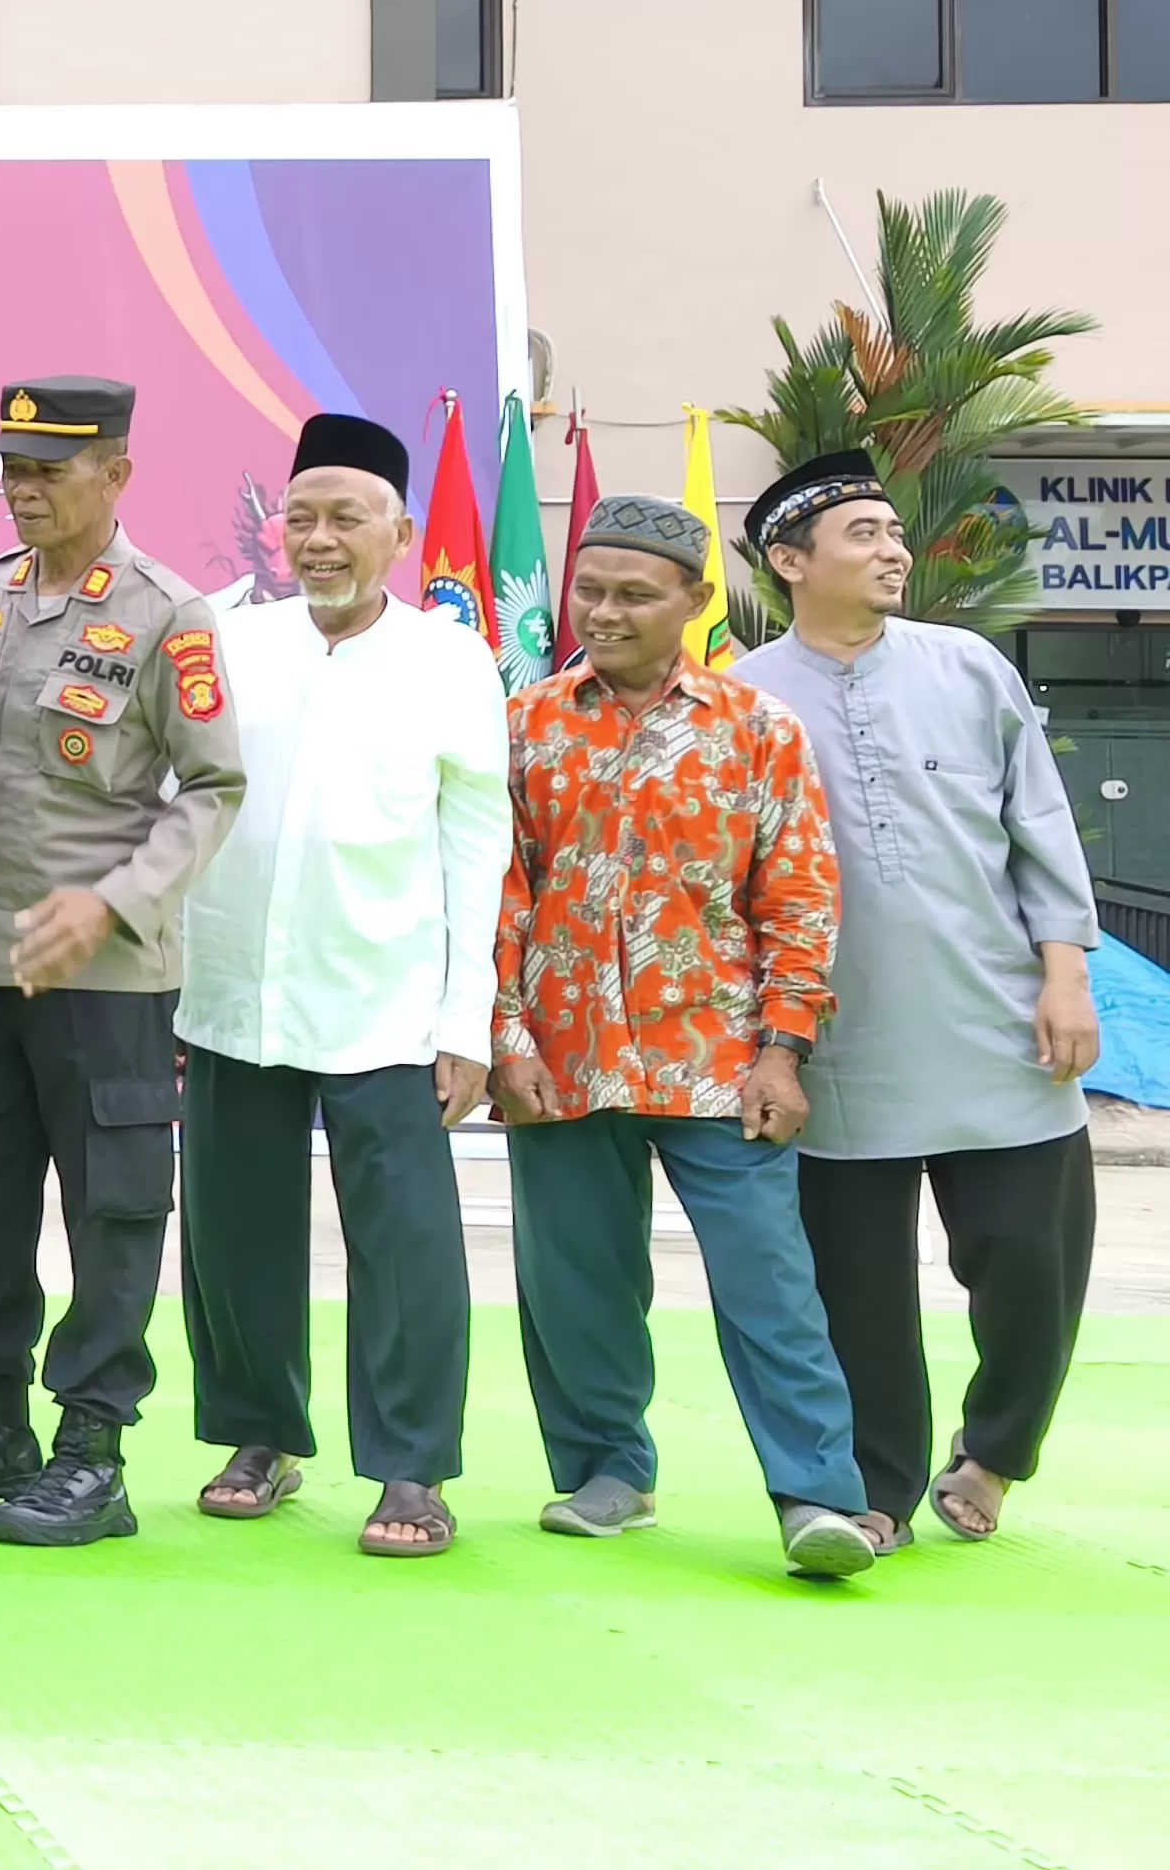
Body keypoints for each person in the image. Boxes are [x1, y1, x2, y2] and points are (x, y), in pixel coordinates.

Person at [492, 491, 874, 1583]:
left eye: (631, 595)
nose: (602, 613)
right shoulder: (527, 723)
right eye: (589, 590)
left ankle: (814, 1496)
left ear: (694, 602)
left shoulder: (756, 730)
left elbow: (798, 897)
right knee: (574, 1282)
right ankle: (608, 1472)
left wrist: (782, 1049)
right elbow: (499, 898)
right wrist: (505, 1036)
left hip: (720, 1060)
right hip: (561, 1055)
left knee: (769, 1283)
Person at [0, 377, 243, 1548]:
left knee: (114, 1212)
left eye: (50, 470)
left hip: (110, 982)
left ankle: (93, 1449)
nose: (23, 488)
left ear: (117, 476)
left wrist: (114, 904)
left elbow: (211, 789)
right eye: (14, 468)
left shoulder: (166, 616)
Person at [736, 449, 1104, 1551]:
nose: (892, 550)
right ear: (790, 561)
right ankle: (874, 1492)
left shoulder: (968, 668)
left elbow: (1039, 827)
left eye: (894, 533)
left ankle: (994, 1452)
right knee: (857, 1298)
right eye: (863, 534)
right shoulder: (743, 696)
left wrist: (1066, 973)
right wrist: (768, 1045)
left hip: (1000, 1029)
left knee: (1030, 1269)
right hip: (837, 1046)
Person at [170, 413, 507, 1559]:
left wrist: (467, 1021)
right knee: (232, 1231)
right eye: (300, 516)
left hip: (388, 999)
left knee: (407, 1247)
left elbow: (476, 845)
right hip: (228, 989)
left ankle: (411, 1469)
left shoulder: (448, 658)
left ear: (399, 533)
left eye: (344, 518)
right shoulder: (219, 635)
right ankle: (258, 1434)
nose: (317, 539)